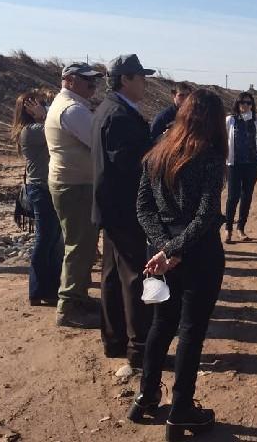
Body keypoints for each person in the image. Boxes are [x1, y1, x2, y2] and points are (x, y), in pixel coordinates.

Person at [129, 89, 227, 439]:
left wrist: (163, 249)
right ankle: (181, 409)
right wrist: (173, 250)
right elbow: (206, 215)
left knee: (161, 324)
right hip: (198, 254)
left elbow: (144, 209)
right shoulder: (210, 157)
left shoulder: (157, 151)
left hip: (161, 255)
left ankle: (146, 395)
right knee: (190, 332)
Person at [91, 54, 155, 371]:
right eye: (141, 78)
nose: (145, 84)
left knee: (113, 275)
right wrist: (157, 149)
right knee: (133, 276)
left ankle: (114, 339)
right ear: (125, 79)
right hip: (124, 208)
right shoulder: (118, 115)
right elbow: (129, 164)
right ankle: (139, 347)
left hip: (113, 207)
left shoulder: (111, 109)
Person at [45, 61, 104, 328]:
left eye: (94, 80)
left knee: (83, 245)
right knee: (79, 247)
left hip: (74, 183)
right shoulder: (73, 110)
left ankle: (77, 297)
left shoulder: (71, 105)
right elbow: (100, 142)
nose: (93, 85)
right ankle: (69, 306)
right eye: (87, 80)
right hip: (75, 185)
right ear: (69, 80)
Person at [10, 90, 63, 307]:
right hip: (41, 189)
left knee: (52, 239)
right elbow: (58, 127)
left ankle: (48, 288)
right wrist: (45, 115)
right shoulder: (32, 131)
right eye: (41, 104)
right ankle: (39, 289)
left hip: (44, 188)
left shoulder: (34, 129)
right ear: (30, 109)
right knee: (45, 238)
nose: (45, 106)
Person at [224, 91, 257, 243]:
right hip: (234, 164)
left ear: (252, 105)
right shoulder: (230, 120)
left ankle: (241, 228)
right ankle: (228, 229)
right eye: (242, 102)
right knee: (233, 197)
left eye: (248, 103)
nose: (245, 105)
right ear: (237, 104)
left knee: (247, 197)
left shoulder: (256, 120)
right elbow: (223, 139)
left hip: (252, 164)